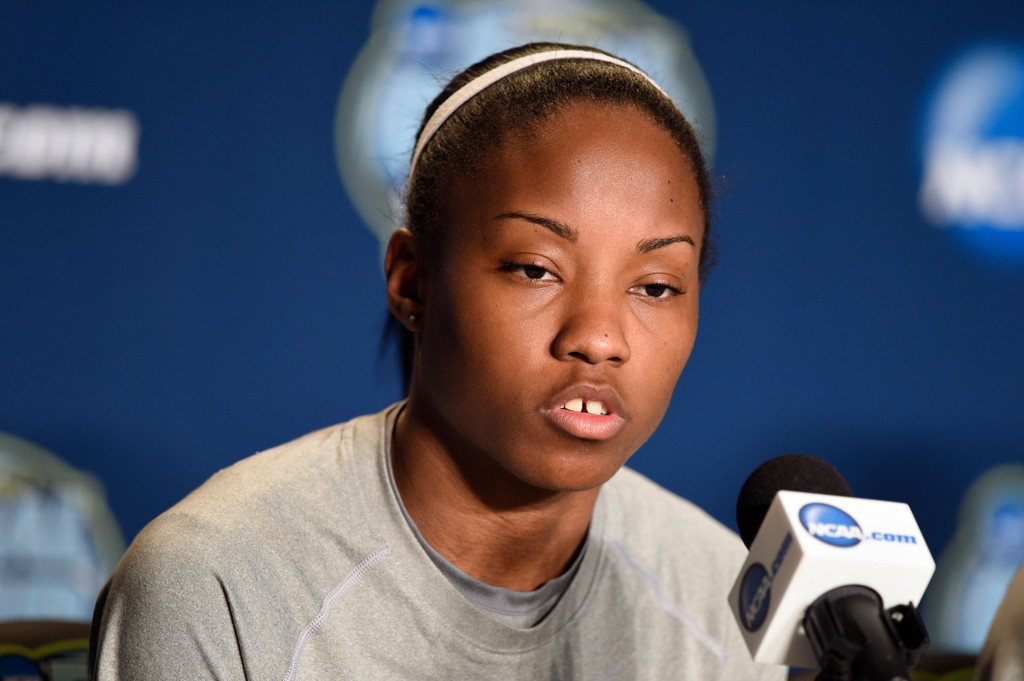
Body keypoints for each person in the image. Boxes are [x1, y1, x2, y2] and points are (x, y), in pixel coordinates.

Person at [89, 42, 786, 680]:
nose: (599, 337)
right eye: (535, 269)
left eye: (656, 286)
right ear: (412, 280)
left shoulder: (719, 592)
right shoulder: (217, 585)